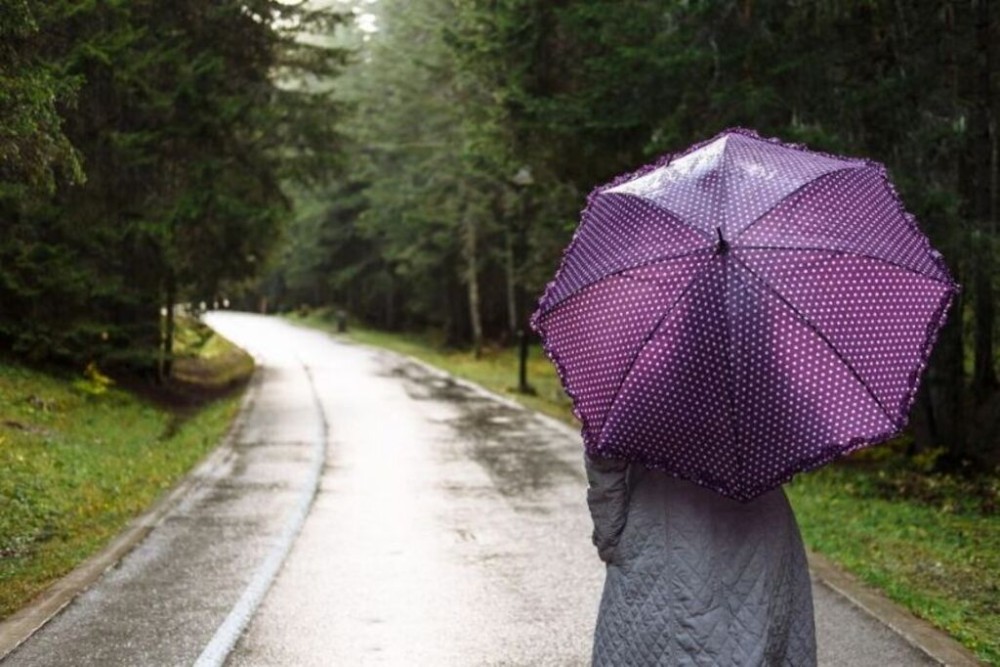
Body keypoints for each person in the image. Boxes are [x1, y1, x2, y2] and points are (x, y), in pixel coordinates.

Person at [584, 454, 816, 666]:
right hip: (761, 519)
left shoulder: (635, 409)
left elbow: (604, 462)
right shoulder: (760, 409)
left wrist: (611, 538)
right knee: (756, 635)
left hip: (662, 521)